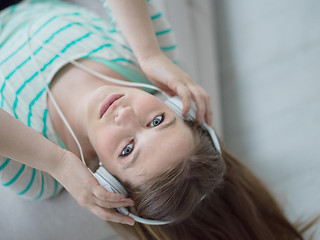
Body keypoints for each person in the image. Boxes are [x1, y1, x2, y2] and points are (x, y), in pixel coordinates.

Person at [0, 0, 316, 239]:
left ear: (104, 179)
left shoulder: (41, 170)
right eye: (156, 121)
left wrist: (55, 161)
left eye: (127, 150)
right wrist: (150, 53)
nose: (125, 115)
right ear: (175, 105)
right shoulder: (144, 68)